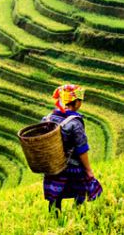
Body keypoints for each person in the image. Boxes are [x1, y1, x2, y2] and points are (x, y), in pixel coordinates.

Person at [42, 84, 102, 213]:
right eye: (80, 100)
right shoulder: (75, 122)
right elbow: (82, 148)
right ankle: (77, 213)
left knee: (55, 197)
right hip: (72, 166)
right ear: (76, 103)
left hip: (54, 166)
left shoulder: (47, 118)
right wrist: (89, 170)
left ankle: (55, 217)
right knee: (80, 193)